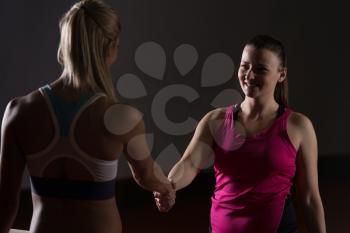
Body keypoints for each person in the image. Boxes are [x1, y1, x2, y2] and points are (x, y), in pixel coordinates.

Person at [0, 1, 175, 233]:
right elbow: (146, 175)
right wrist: (166, 189)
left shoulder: (18, 111)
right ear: (111, 47)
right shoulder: (122, 118)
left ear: (65, 43)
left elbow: (4, 205)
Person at [155, 35, 327, 233]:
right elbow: (190, 163)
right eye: (245, 66)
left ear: (282, 75)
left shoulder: (298, 126)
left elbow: (309, 197)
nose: (250, 75)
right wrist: (170, 185)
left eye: (261, 69)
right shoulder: (215, 120)